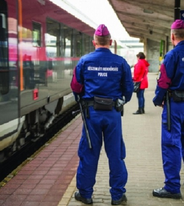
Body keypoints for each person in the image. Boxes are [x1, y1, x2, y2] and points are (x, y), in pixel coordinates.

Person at [70, 24, 133, 205]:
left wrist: (81, 98)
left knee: (89, 153)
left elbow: (76, 87)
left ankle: (85, 194)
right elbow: (128, 89)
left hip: (91, 115)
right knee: (116, 154)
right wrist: (122, 100)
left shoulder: (84, 61)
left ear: (94, 42)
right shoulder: (120, 62)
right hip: (113, 114)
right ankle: (117, 195)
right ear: (110, 42)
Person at [152, 19, 184, 199]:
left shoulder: (172, 55)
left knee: (171, 143)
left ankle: (172, 186)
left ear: (172, 36)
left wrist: (157, 99)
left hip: (174, 105)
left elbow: (164, 81)